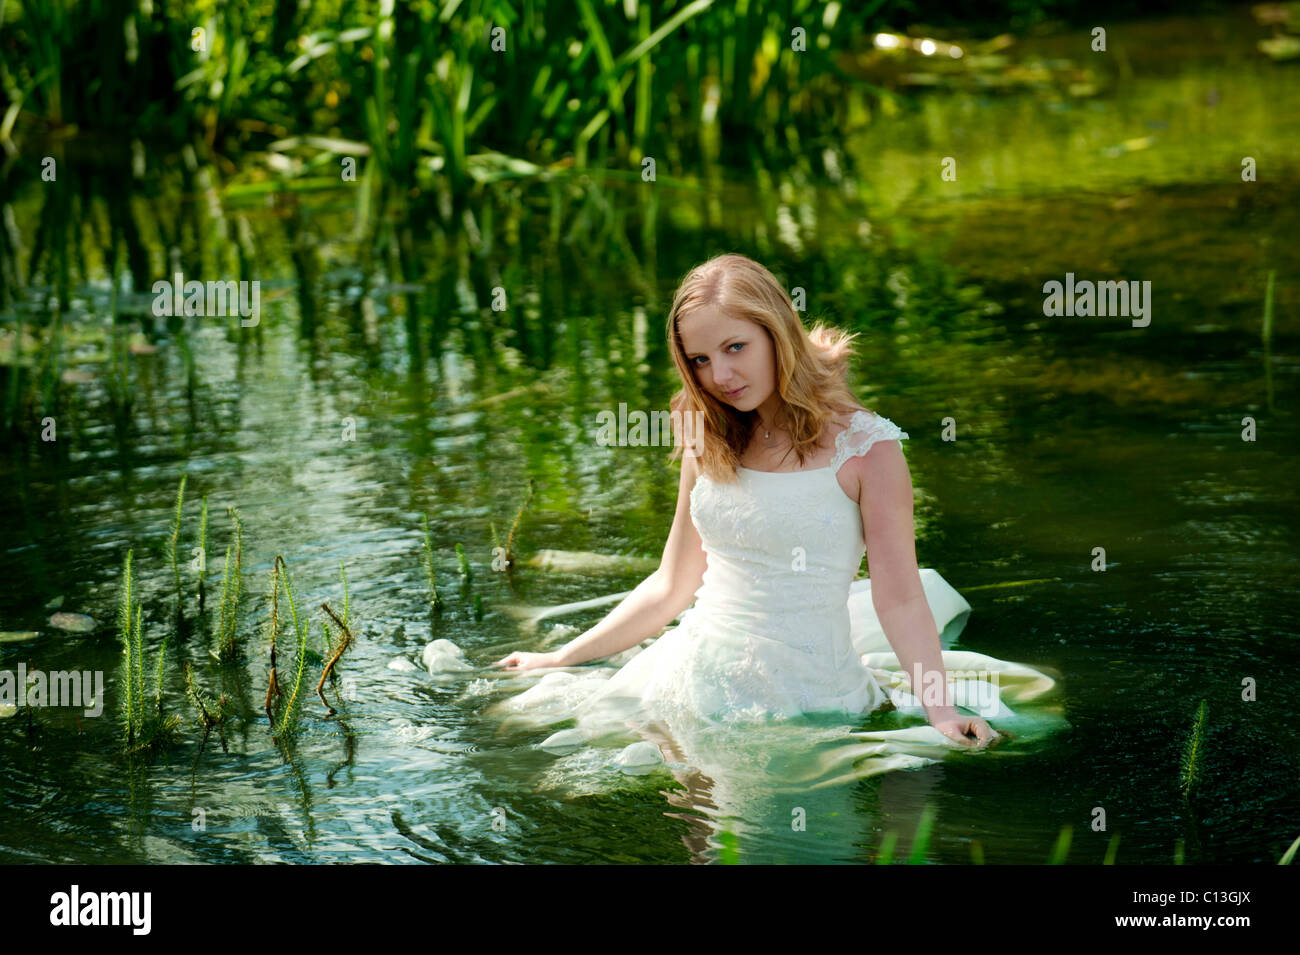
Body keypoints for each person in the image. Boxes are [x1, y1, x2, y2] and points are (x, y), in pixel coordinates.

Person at [492, 253, 1057, 767]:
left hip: (813, 695)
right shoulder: (706, 431)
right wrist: (562, 658)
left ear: (778, 334)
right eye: (701, 359)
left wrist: (938, 710)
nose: (721, 376)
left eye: (736, 347)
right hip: (691, 682)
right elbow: (673, 583)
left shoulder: (867, 448)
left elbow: (901, 594)